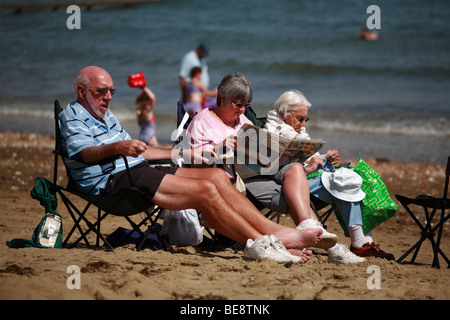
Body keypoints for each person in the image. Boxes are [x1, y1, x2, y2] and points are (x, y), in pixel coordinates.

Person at [59, 66, 324, 265]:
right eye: (101, 92)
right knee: (205, 191)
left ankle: (275, 235)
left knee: (217, 178)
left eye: (111, 92)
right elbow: (84, 154)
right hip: (112, 180)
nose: (108, 97)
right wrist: (118, 147)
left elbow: (143, 151)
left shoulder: (107, 117)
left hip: (135, 170)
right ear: (81, 91)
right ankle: (262, 242)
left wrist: (191, 154)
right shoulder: (73, 116)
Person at [184, 72, 367, 264]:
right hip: (236, 180)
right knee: (293, 200)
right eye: (238, 104)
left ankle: (308, 226)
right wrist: (219, 147)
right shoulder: (202, 122)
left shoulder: (244, 122)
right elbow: (193, 163)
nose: (241, 111)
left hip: (260, 172)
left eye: (245, 106)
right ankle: (332, 247)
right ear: (222, 98)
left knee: (295, 167)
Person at [264, 89, 395, 260]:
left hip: (311, 177)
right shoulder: (271, 132)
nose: (303, 124)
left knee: (363, 177)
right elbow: (274, 171)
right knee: (344, 181)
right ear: (283, 114)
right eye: (300, 119)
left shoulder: (297, 131)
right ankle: (359, 243)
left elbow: (308, 158)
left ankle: (365, 242)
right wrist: (308, 169)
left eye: (306, 119)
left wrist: (326, 159)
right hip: (291, 184)